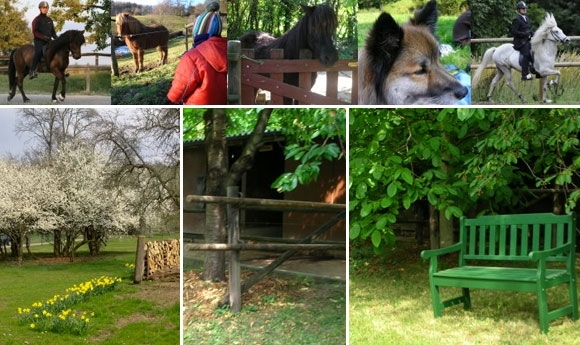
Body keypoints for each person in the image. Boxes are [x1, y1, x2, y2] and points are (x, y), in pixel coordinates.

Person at [167, 2, 227, 104]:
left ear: (196, 32)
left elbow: (179, 91)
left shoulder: (192, 57)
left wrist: (171, 97)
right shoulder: (228, 48)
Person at [30, 1, 58, 79]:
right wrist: (43, 37)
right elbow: (35, 32)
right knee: (38, 52)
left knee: (57, 50)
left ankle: (59, 69)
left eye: (46, 8)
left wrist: (58, 39)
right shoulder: (36, 20)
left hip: (49, 41)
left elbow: (53, 32)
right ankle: (32, 70)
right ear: (40, 9)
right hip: (39, 41)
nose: (45, 9)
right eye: (43, 8)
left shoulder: (50, 20)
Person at [511, 1, 534, 81]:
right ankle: (524, 74)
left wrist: (533, 34)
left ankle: (534, 68)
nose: (524, 10)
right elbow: (514, 32)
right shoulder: (516, 19)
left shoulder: (527, 18)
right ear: (518, 10)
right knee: (526, 53)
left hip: (527, 40)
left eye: (525, 8)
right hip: (520, 42)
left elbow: (529, 30)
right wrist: (525, 34)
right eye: (522, 9)